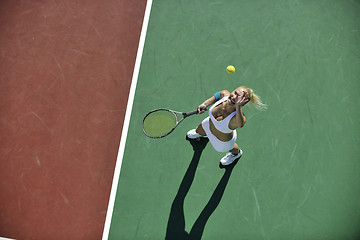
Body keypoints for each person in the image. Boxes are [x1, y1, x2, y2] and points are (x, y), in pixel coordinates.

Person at [186, 86, 267, 166]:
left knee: (232, 148)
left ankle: (237, 154)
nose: (234, 97)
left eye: (238, 98)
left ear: (242, 104)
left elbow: (240, 124)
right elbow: (218, 95)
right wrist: (205, 104)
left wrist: (238, 106)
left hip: (221, 142)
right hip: (208, 124)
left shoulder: (236, 118)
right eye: (235, 92)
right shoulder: (224, 95)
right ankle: (202, 135)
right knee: (198, 130)